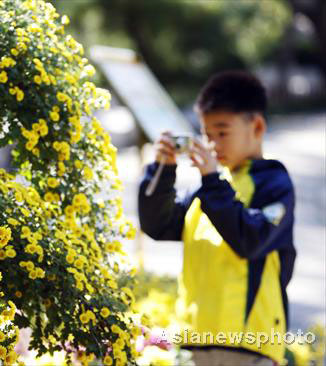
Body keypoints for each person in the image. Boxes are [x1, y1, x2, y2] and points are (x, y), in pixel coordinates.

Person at [138, 70, 296, 366]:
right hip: (194, 343)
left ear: (257, 126)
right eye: (207, 135)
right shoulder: (208, 190)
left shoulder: (274, 184)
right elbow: (157, 224)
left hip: (251, 347)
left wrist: (211, 180)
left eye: (222, 132)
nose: (213, 144)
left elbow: (250, 239)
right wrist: (163, 170)